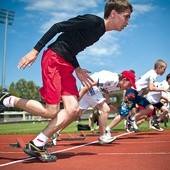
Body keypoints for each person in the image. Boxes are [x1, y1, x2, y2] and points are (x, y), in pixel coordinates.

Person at [0, 0, 133, 162]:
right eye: (126, 17)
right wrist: (34, 51)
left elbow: (71, 46)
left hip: (66, 64)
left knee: (73, 109)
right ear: (113, 13)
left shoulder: (100, 32)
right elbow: (58, 27)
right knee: (51, 111)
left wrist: (77, 68)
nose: (127, 22)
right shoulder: (93, 21)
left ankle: (37, 143)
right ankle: (6, 99)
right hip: (54, 59)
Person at [52, 70, 136, 144]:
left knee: (75, 114)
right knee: (105, 110)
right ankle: (103, 136)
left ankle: (55, 131)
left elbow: (105, 91)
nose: (130, 86)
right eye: (130, 83)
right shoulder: (112, 78)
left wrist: (109, 104)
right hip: (89, 87)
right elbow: (88, 84)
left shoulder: (117, 85)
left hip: (90, 89)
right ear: (124, 80)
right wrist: (77, 99)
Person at [125, 59, 168, 132]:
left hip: (138, 94)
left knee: (150, 108)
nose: (164, 71)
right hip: (133, 92)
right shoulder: (153, 74)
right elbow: (151, 88)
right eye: (164, 69)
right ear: (159, 67)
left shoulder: (151, 73)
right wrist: (162, 89)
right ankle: (108, 129)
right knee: (124, 113)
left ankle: (132, 119)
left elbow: (147, 88)